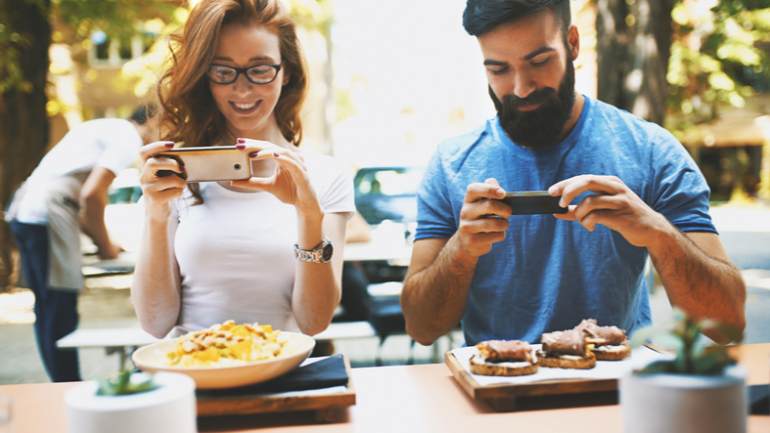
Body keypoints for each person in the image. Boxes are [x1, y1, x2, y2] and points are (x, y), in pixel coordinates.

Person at [401, 0, 746, 347]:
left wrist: (656, 232)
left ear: (573, 44)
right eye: (499, 70)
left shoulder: (650, 150)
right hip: (497, 388)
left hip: (616, 389)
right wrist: (461, 250)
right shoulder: (452, 164)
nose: (521, 88)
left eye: (539, 61)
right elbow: (421, 328)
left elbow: (726, 323)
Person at [132, 0, 354, 339]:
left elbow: (314, 322)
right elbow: (155, 323)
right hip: (194, 372)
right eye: (224, 71)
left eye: (261, 69)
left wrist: (309, 214)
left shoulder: (325, 175)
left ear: (287, 71)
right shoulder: (176, 174)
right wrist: (156, 212)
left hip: (284, 374)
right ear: (205, 77)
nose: (243, 89)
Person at [5, 105, 156, 382]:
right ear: (157, 119)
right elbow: (90, 195)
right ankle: (66, 385)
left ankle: (62, 382)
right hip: (47, 214)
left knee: (48, 308)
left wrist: (107, 242)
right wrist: (107, 250)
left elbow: (84, 205)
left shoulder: (103, 128)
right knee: (60, 308)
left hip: (26, 212)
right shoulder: (128, 137)